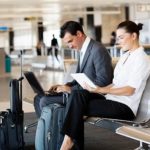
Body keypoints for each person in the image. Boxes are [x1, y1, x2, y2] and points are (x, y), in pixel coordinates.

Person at [60, 20, 150, 150]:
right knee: (78, 95)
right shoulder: (125, 56)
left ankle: (67, 144)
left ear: (134, 36)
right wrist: (96, 89)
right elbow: (115, 83)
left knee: (76, 107)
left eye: (121, 37)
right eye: (118, 38)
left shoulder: (141, 59)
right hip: (111, 100)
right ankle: (69, 142)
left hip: (125, 107)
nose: (118, 41)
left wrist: (101, 89)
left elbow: (130, 90)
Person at [34, 20, 113, 118]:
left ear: (79, 34)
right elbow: (79, 79)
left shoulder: (97, 49)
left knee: (45, 101)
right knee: (39, 97)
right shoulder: (83, 50)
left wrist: (71, 89)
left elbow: (104, 81)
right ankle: (45, 130)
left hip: (92, 95)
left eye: (70, 41)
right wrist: (65, 86)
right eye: (67, 43)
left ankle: (52, 131)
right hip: (79, 92)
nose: (69, 46)